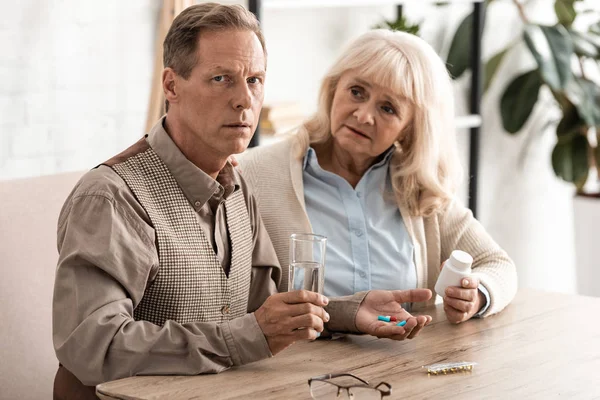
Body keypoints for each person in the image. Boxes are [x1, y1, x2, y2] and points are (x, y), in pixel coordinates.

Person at [52, 6, 432, 400]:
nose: (244, 101)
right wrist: (248, 335)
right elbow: (94, 347)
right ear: (171, 86)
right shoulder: (112, 197)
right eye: (222, 79)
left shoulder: (236, 187)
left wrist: (348, 313)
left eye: (255, 80)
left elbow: (261, 307)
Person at [239, 29, 517, 324]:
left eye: (388, 108)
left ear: (410, 127)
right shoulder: (254, 173)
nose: (363, 115)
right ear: (334, 89)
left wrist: (477, 294)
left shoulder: (419, 188)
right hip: (296, 364)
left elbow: (497, 264)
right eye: (357, 92)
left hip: (404, 362)